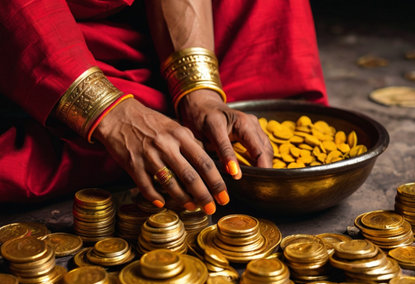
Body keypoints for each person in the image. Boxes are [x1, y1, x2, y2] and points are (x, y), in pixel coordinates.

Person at [0, 0, 327, 215]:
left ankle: (175, 121)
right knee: (119, 131)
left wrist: (198, 91)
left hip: (142, 16)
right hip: (37, 32)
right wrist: (113, 115)